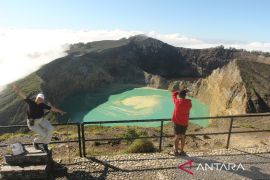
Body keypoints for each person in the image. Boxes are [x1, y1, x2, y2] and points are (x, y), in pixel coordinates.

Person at [12, 84, 66, 153]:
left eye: (41, 99)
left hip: (41, 120)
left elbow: (52, 108)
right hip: (33, 123)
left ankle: (45, 144)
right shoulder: (31, 102)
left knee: (50, 129)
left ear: (42, 100)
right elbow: (23, 96)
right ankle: (35, 142)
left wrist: (60, 111)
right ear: (36, 98)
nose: (39, 99)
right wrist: (17, 90)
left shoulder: (42, 105)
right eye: (39, 98)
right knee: (43, 134)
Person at [171, 89, 192, 156]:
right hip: (184, 123)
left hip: (177, 123)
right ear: (185, 95)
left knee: (177, 137)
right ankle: (182, 151)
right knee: (183, 136)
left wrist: (178, 91)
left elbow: (173, 95)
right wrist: (183, 92)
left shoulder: (177, 102)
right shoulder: (189, 103)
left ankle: (176, 151)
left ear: (179, 95)